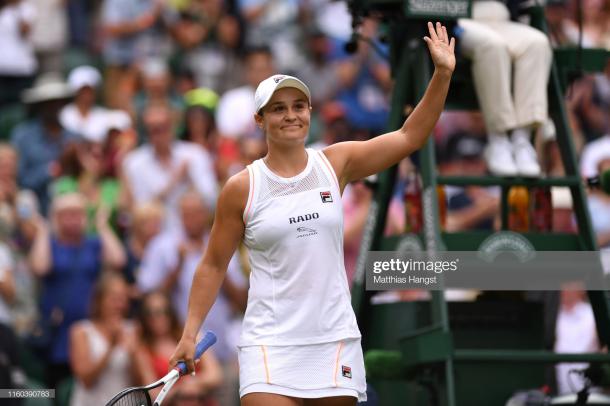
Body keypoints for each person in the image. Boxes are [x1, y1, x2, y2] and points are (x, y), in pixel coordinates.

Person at [170, 22, 455, 405]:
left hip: (333, 340)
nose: (291, 116)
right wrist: (189, 334)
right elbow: (213, 265)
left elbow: (409, 136)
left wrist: (442, 74)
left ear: (309, 112)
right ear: (259, 120)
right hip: (268, 342)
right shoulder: (241, 187)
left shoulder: (336, 163)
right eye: (278, 109)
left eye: (298, 106)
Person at [458, 0, 552, 177]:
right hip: (459, 19)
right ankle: (498, 139)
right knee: (492, 46)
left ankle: (522, 140)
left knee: (537, 43)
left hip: (501, 18)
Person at [69, 273, 149, 405]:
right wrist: (111, 347)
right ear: (100, 300)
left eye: (123, 299)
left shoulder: (133, 329)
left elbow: (141, 382)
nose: (120, 305)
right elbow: (86, 381)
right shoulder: (81, 331)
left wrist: (134, 354)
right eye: (114, 299)